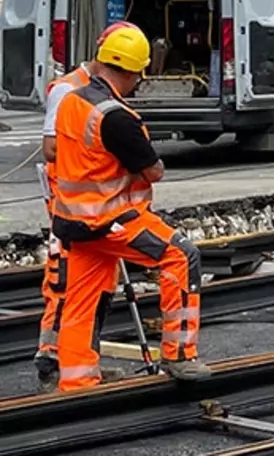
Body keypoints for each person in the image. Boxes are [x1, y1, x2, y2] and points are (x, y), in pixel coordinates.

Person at [51, 25, 211, 391]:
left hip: (73, 221)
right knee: (181, 256)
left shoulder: (72, 101)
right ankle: (180, 354)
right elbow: (153, 170)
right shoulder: (116, 117)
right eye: (139, 74)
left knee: (82, 300)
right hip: (112, 220)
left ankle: (77, 380)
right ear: (131, 70)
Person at [35, 21, 137, 393]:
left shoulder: (102, 91)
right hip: (71, 205)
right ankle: (53, 360)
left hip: (97, 205)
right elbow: (51, 149)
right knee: (66, 283)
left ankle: (81, 361)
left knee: (98, 283)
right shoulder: (69, 90)